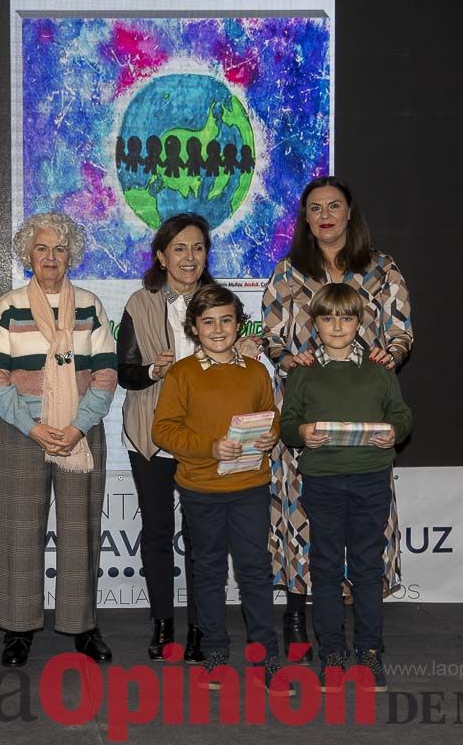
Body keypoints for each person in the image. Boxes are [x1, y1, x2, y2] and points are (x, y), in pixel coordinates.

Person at [261, 175, 414, 662]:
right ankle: (296, 614)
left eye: (334, 206)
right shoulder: (288, 273)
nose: (324, 215)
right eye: (314, 208)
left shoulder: (382, 269)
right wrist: (291, 362)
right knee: (299, 516)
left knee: (364, 537)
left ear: (350, 212)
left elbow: (401, 331)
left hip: (363, 413)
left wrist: (387, 356)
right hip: (308, 415)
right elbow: (271, 336)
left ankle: (364, 631)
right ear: (304, 218)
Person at [0, 213, 118, 667]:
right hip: (24, 434)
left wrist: (78, 425)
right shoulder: (9, 305)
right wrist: (34, 426)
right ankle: (19, 629)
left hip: (79, 433)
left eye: (59, 250)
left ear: (71, 255)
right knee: (20, 533)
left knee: (81, 533)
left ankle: (82, 627)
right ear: (28, 254)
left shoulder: (91, 306)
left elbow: (105, 373)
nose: (51, 258)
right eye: (42, 249)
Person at [151, 283, 286, 691]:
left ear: (239, 324)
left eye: (226, 320)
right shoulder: (182, 374)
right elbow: (163, 431)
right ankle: (214, 655)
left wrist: (270, 435)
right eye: (207, 321)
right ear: (193, 327)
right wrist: (210, 448)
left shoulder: (257, 371)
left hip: (250, 485)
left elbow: (271, 416)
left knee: (255, 572)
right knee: (208, 573)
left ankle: (267, 659)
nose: (217, 329)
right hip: (201, 488)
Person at [279, 283, 413, 690]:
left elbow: (402, 416)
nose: (337, 325)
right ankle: (332, 653)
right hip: (322, 481)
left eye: (347, 317)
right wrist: (301, 431)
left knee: (367, 569)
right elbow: (287, 424)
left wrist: (394, 432)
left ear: (360, 322)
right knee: (324, 569)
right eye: (327, 317)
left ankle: (369, 652)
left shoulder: (379, 370)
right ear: (314, 322)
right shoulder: (301, 372)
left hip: (371, 478)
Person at [116, 213, 215, 663]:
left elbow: (238, 355)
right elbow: (126, 374)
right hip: (151, 433)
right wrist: (156, 368)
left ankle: (199, 628)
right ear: (161, 256)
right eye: (179, 248)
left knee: (201, 538)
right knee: (157, 533)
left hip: (204, 436)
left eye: (197, 248)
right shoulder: (139, 303)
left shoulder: (219, 304)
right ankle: (162, 627)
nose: (189, 257)